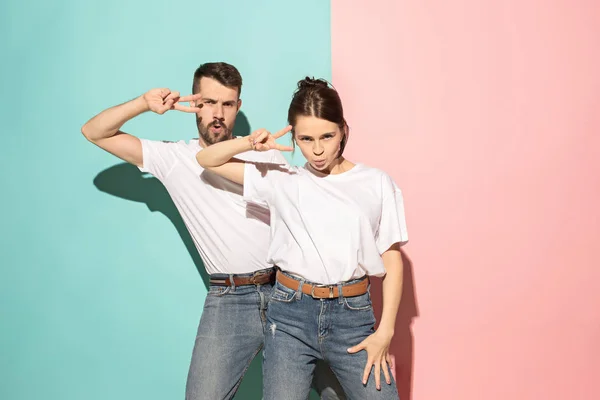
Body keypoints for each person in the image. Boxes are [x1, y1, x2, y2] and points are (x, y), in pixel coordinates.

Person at [81, 63, 344, 400]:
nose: (218, 114)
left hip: (288, 291)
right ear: (194, 104)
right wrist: (143, 104)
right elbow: (94, 132)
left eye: (228, 104)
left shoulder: (264, 151)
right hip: (229, 299)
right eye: (209, 103)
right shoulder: (174, 157)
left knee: (338, 391)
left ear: (238, 106)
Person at [195, 77, 408, 399]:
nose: (318, 149)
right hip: (289, 316)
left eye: (327, 136)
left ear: (344, 131)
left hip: (352, 317)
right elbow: (207, 160)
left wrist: (386, 331)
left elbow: (391, 255)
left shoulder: (375, 182)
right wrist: (251, 143)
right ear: (293, 137)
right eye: (306, 139)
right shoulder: (283, 179)